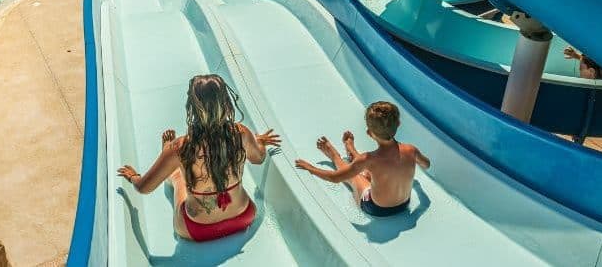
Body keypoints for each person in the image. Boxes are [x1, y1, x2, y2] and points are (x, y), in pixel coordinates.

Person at [117, 74, 280, 242]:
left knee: (178, 176)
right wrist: (258, 141)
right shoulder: (241, 134)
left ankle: (169, 169)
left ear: (192, 107)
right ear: (226, 102)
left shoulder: (180, 147)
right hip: (244, 217)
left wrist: (133, 176)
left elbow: (144, 188)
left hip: (197, 229)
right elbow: (259, 158)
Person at [295, 101, 430, 217]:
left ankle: (334, 156)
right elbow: (426, 164)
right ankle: (352, 151)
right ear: (399, 124)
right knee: (369, 172)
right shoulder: (411, 150)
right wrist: (417, 187)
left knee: (355, 177)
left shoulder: (369, 159)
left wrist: (310, 168)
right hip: (404, 205)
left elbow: (335, 178)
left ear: (369, 133)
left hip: (377, 209)